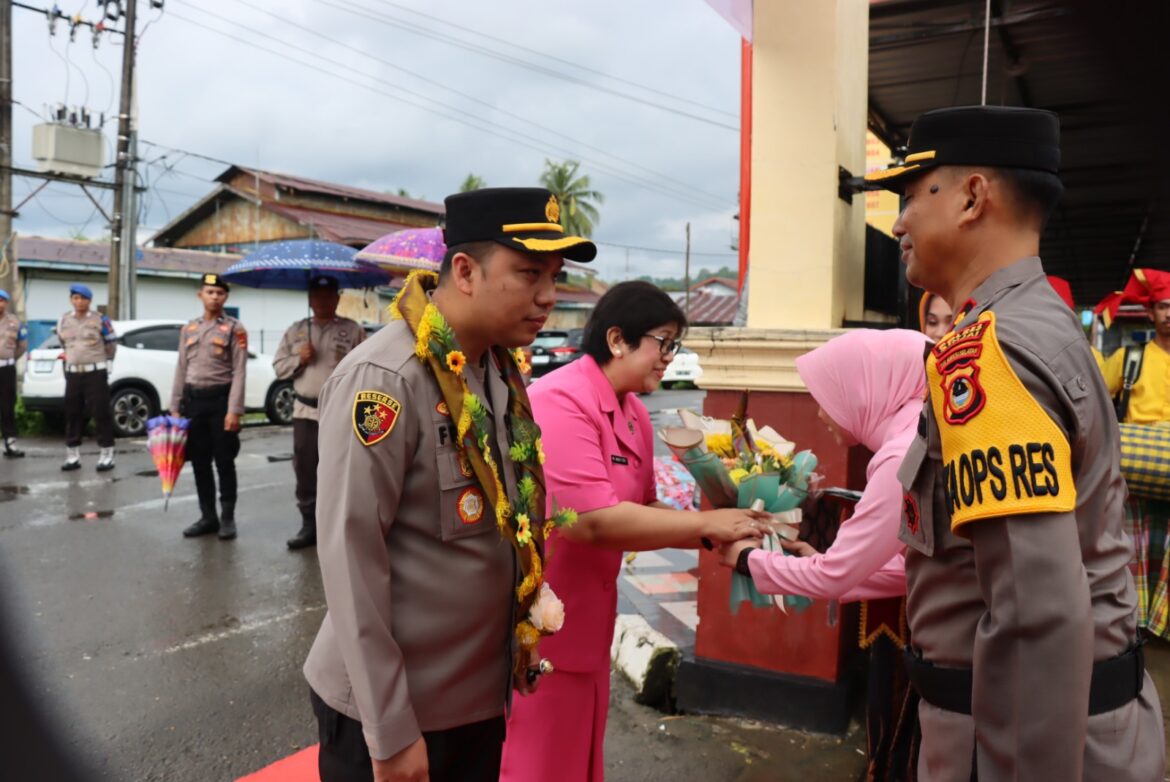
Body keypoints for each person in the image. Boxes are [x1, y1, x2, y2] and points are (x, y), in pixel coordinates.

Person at [864, 105, 1163, 780]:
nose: (899, 223)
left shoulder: (986, 356)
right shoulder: (1040, 325)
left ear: (973, 197)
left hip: (1025, 741)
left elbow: (1035, 618)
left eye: (912, 196)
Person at [304, 188, 600, 782]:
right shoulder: (386, 379)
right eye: (529, 273)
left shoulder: (495, 370)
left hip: (474, 700)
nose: (549, 297)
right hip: (396, 712)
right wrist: (389, 731)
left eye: (555, 277)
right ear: (463, 271)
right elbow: (350, 555)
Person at [499, 280, 767, 782]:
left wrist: (725, 531)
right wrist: (707, 522)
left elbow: (644, 509)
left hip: (588, 623)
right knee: (536, 766)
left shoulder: (634, 411)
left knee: (578, 763)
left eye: (674, 345)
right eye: (663, 342)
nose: (669, 357)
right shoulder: (561, 399)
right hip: (541, 629)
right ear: (618, 339)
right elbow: (593, 520)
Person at [721, 328, 927, 782]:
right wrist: (809, 559)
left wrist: (747, 562)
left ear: (864, 388)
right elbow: (916, 569)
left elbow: (835, 576)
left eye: (830, 394)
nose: (820, 410)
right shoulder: (916, 431)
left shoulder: (900, 455)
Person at [1097, 268, 1170, 641]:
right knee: (1134, 556)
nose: (1169, 313)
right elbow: (1092, 387)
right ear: (1151, 312)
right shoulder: (1130, 359)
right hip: (1137, 477)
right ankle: (1133, 623)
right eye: (1163, 306)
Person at [272, 275, 365, 550]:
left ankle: (338, 526)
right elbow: (278, 367)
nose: (323, 301)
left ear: (337, 298)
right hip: (305, 411)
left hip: (339, 412)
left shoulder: (353, 331)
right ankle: (308, 525)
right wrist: (299, 359)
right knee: (305, 469)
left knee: (340, 470)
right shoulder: (296, 331)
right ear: (310, 300)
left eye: (329, 295)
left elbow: (365, 367)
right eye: (317, 296)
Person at [170, 273, 247, 541]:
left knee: (224, 461)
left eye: (220, 293)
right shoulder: (188, 329)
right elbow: (181, 367)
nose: (214, 297)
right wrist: (175, 407)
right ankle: (208, 516)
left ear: (225, 297)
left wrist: (233, 410)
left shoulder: (235, 329)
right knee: (199, 462)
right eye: (210, 292)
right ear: (200, 295)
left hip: (220, 402)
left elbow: (239, 371)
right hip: (193, 403)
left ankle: (227, 518)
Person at [58, 284, 117, 471]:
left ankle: (107, 454)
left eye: (83, 298)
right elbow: (63, 342)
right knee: (72, 412)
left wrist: (104, 362)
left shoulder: (101, 320)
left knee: (100, 412)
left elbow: (111, 343)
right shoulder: (64, 320)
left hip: (95, 372)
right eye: (75, 298)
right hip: (73, 373)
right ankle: (73, 455)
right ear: (70, 300)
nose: (79, 301)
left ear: (89, 301)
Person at [0, 289, 28, 458]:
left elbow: (22, 345)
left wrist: (9, 358)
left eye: (2, 300)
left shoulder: (15, 322)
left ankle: (10, 443)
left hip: (7, 369)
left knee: (7, 406)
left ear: (6, 303)